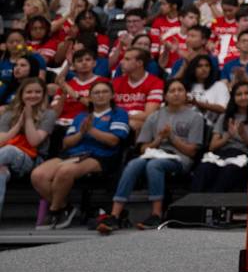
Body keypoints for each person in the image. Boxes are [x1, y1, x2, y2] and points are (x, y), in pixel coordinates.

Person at [96, 79, 204, 233]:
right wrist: (158, 140)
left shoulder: (195, 117)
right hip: (155, 153)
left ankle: (156, 214)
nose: (176, 94)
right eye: (172, 91)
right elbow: (143, 148)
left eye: (180, 90)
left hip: (180, 158)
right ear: (165, 96)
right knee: (134, 164)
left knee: (154, 165)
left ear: (186, 94)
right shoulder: (154, 116)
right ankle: (115, 215)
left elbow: (192, 151)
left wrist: (172, 138)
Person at [30, 80, 129, 230]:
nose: (100, 95)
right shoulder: (80, 116)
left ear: (112, 95)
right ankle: (65, 207)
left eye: (104, 92)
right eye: (96, 92)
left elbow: (113, 141)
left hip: (101, 156)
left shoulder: (119, 114)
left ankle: (54, 211)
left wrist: (91, 131)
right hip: (74, 154)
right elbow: (66, 143)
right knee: (38, 175)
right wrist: (82, 132)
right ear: (90, 97)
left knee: (65, 171)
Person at [190, 80, 248, 226]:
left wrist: (244, 136)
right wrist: (228, 135)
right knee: (204, 168)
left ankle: (213, 210)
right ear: (233, 97)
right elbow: (212, 146)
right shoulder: (225, 117)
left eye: (246, 93)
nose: (243, 97)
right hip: (223, 153)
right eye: (239, 94)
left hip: (243, 155)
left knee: (229, 171)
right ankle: (194, 210)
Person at [0, 78, 55, 223]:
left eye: (38, 92)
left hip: (33, 161)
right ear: (21, 94)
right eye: (29, 92)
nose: (33, 95)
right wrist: (19, 124)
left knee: (9, 150)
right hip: (4, 159)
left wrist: (29, 118)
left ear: (43, 95)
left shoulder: (49, 114)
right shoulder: (8, 113)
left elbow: (34, 141)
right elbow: (2, 140)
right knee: (0, 173)